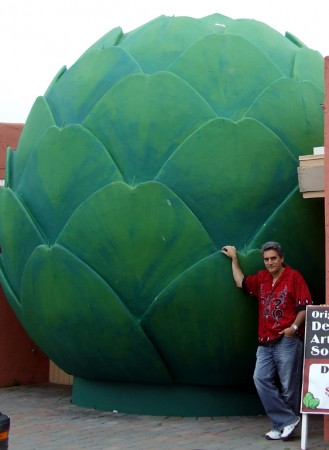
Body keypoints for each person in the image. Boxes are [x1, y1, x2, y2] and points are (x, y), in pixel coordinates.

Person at [221, 241, 312, 441]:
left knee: (288, 387)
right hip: (265, 341)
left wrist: (293, 329)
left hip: (286, 340)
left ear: (281, 259)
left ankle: (283, 427)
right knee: (260, 379)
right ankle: (286, 420)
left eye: (273, 259)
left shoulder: (294, 277)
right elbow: (241, 283)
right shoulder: (262, 278)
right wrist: (234, 259)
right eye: (266, 259)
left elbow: (304, 307)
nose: (269, 263)